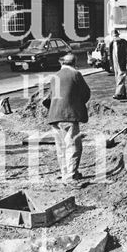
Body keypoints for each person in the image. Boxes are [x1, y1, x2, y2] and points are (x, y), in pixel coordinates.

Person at [43, 53, 90, 182]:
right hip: (69, 115)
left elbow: (48, 97)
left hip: (54, 117)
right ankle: (71, 176)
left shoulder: (55, 76)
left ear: (61, 63)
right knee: (73, 146)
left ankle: (65, 173)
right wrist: (77, 103)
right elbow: (86, 93)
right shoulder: (76, 74)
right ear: (75, 63)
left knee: (61, 147)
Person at [110, 29, 127, 100]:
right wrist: (111, 65)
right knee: (118, 79)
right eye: (113, 36)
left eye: (116, 36)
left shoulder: (124, 42)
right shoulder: (111, 44)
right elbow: (110, 55)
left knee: (121, 78)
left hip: (122, 63)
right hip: (115, 63)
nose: (115, 37)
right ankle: (123, 95)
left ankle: (118, 94)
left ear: (118, 36)